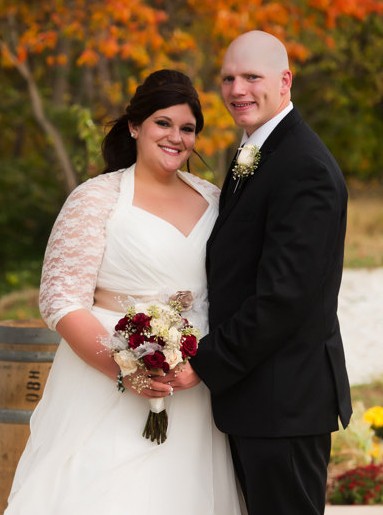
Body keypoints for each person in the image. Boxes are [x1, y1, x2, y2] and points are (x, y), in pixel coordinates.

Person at [5, 69, 243, 515]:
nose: (176, 137)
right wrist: (123, 369)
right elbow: (60, 299)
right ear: (135, 126)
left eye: (188, 128)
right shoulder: (96, 198)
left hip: (196, 383)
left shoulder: (215, 200)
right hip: (106, 383)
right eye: (163, 123)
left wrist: (205, 362)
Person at [164, 31, 353, 514]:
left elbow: (284, 298)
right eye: (228, 78)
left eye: (252, 77)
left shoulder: (304, 166)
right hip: (257, 398)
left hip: (284, 402)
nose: (237, 89)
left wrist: (204, 363)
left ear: (286, 81)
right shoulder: (259, 150)